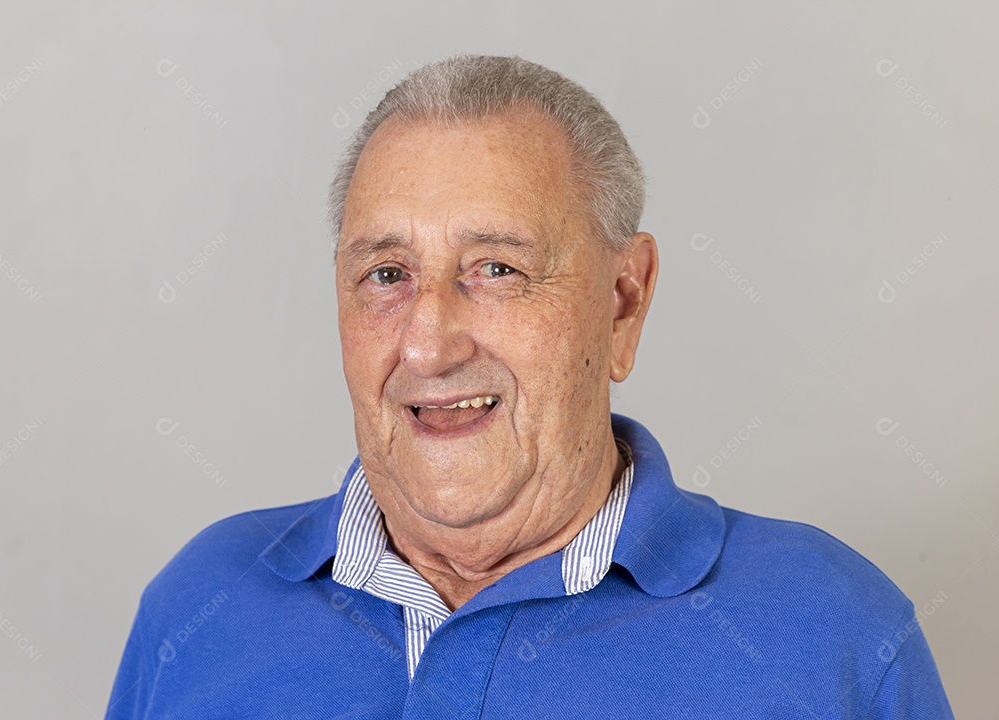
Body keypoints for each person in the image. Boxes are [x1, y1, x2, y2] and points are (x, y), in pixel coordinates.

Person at [104, 54, 953, 719]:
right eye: (388, 272)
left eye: (498, 268)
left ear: (624, 303)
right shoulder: (200, 607)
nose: (429, 343)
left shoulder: (834, 635)